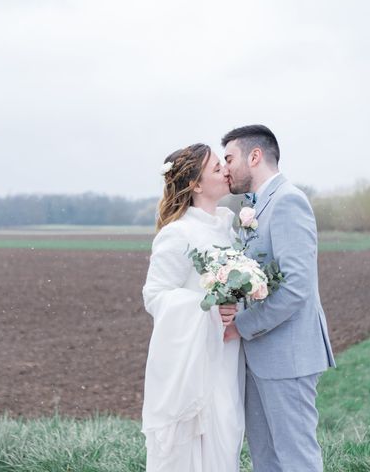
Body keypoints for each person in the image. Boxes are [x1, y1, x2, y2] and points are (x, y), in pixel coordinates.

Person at [219, 124, 336, 472]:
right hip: (257, 358)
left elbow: (296, 287)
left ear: (254, 156)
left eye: (229, 158)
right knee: (265, 459)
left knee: (296, 459)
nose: (225, 168)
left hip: (288, 356)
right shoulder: (253, 207)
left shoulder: (288, 201)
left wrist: (242, 325)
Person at [142, 143, 245, 471]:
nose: (226, 171)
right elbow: (155, 295)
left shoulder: (228, 225)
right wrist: (208, 309)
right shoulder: (178, 233)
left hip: (227, 354)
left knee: (226, 440)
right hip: (194, 359)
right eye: (217, 168)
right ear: (196, 185)